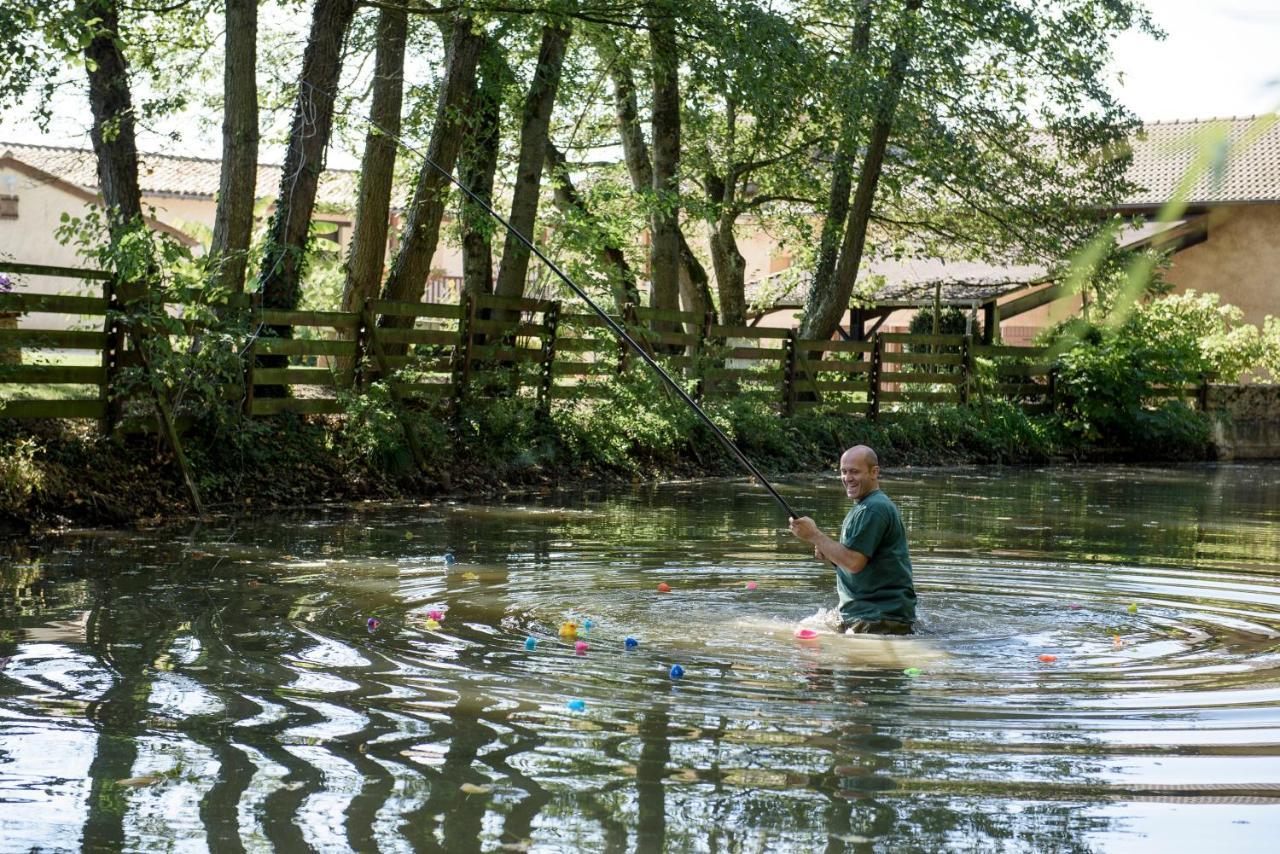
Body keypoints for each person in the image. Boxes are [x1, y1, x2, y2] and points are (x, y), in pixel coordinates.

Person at [788, 445, 917, 635]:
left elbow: (853, 563)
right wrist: (830, 552)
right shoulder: (868, 505)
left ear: (874, 472)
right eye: (843, 471)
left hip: (877, 619)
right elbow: (860, 559)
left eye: (854, 472)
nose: (847, 478)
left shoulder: (873, 509)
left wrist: (815, 536)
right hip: (871, 614)